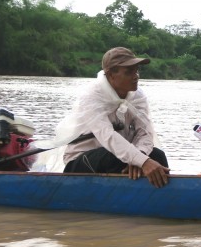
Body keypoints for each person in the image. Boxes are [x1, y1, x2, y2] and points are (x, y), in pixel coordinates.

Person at [57, 47, 170, 187]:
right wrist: (142, 161)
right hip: (81, 161)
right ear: (111, 75)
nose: (136, 76)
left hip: (123, 156)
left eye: (136, 71)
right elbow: (107, 136)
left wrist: (140, 157)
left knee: (157, 155)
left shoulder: (138, 95)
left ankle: (161, 195)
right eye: (129, 72)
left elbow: (145, 132)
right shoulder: (92, 96)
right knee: (114, 157)